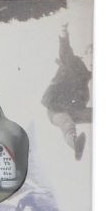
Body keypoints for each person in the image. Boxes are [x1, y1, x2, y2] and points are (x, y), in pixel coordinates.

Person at [42, 25, 91, 160]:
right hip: (55, 109)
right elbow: (65, 52)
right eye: (91, 55)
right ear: (86, 55)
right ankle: (75, 144)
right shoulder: (74, 63)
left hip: (73, 109)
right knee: (67, 124)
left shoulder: (87, 75)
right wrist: (63, 33)